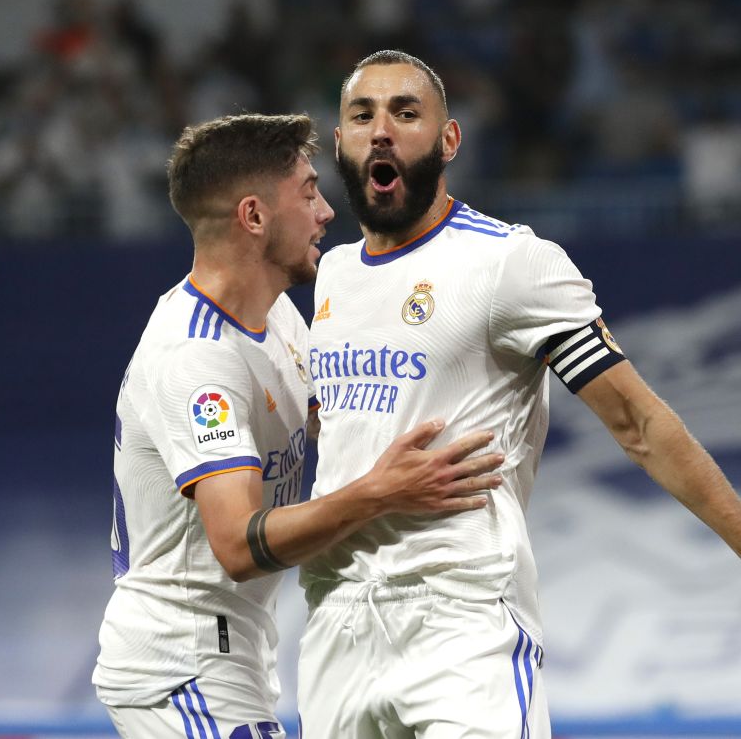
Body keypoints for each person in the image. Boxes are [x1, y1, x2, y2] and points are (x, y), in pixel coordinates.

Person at [296, 51, 741, 738]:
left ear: (449, 141)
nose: (382, 129)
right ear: (339, 143)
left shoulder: (510, 263)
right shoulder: (330, 275)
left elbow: (638, 422)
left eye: (406, 112)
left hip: (458, 619)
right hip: (337, 621)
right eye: (362, 115)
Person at [92, 113, 505, 738]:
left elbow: (339, 421)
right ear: (254, 217)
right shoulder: (196, 359)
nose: (326, 213)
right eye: (308, 193)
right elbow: (238, 545)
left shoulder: (277, 315)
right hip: (182, 663)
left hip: (234, 652)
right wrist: (383, 491)